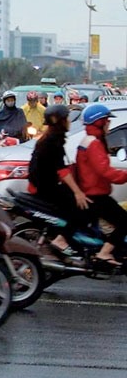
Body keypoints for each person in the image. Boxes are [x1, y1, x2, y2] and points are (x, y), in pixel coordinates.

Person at [27, 105, 91, 257]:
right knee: (82, 207)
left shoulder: (50, 138)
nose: (69, 121)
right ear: (60, 121)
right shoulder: (53, 140)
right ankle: (62, 239)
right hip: (46, 187)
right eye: (66, 118)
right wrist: (77, 192)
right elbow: (61, 170)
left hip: (42, 184)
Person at [76, 104, 127, 266]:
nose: (109, 126)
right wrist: (125, 176)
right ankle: (105, 252)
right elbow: (105, 170)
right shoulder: (95, 144)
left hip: (91, 191)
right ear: (99, 123)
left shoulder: (89, 140)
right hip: (97, 195)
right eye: (107, 122)